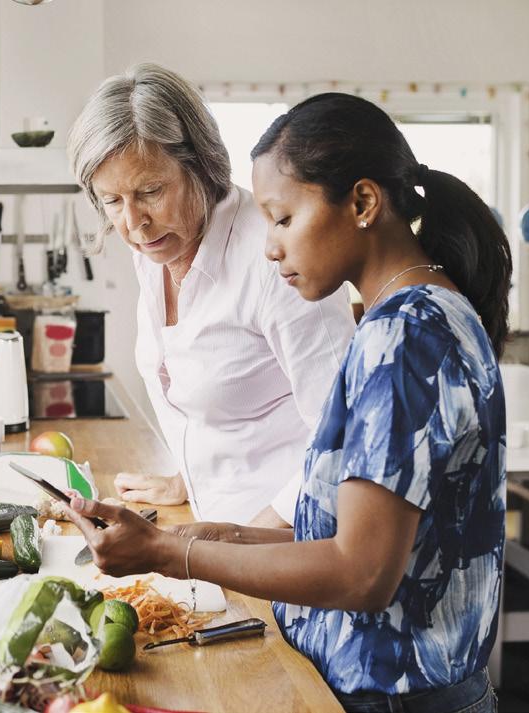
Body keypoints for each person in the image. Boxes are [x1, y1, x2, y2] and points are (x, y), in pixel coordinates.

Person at [63, 92, 510, 713]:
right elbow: (347, 526)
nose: (269, 248)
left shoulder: (404, 340)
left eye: (282, 219)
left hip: (392, 697)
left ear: (362, 203)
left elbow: (361, 574)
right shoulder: (424, 314)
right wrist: (220, 535)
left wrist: (175, 552)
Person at [67, 64, 356, 525]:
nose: (133, 222)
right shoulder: (156, 247)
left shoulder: (276, 255)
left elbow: (348, 432)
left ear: (200, 165)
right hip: (212, 532)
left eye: (151, 190)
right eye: (113, 201)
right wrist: (187, 478)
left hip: (289, 544)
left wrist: (251, 540)